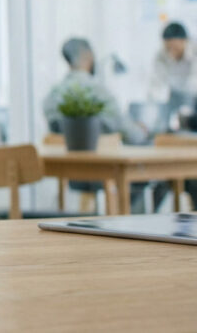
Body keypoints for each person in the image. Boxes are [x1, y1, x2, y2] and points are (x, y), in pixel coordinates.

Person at [43, 37, 168, 212]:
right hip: (104, 171)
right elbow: (130, 133)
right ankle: (131, 218)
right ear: (88, 56)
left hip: (71, 174)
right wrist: (144, 132)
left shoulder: (51, 96)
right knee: (158, 174)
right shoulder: (98, 90)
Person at [148, 22, 197, 128]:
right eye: (168, 47)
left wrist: (186, 111)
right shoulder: (161, 56)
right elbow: (156, 85)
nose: (171, 51)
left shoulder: (195, 51)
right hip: (173, 95)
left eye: (175, 47)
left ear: (185, 41)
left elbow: (194, 82)